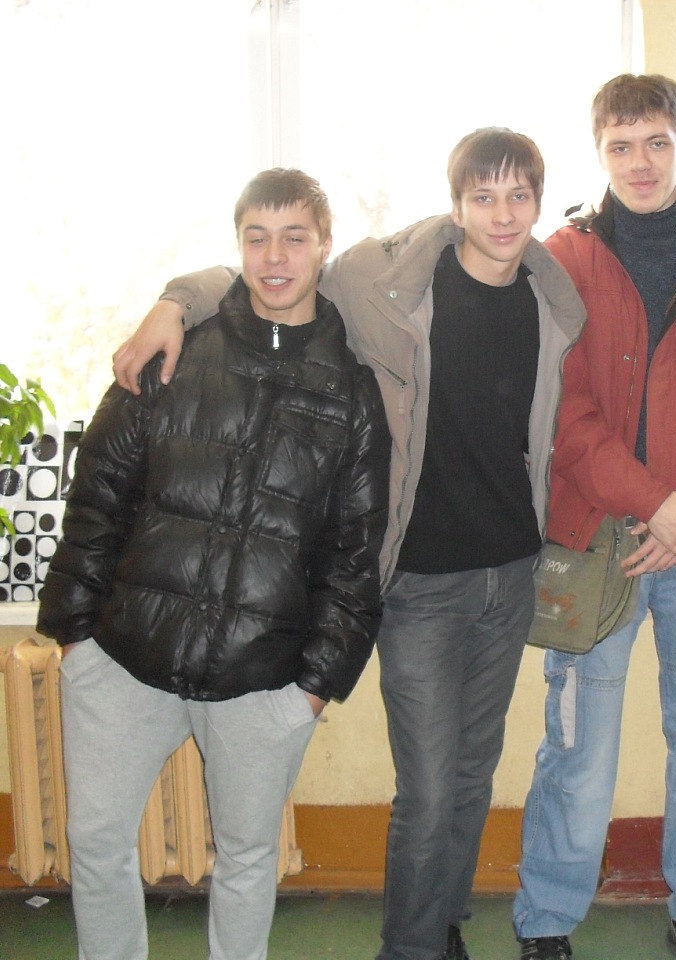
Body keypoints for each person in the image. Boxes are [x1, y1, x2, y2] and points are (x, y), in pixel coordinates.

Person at [109, 129, 588, 960]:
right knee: (428, 788)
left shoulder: (552, 298)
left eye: (519, 196)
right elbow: (272, 277)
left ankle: (442, 923)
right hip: (420, 584)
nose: (502, 214)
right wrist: (174, 302)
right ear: (457, 205)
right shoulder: (385, 281)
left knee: (472, 777)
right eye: (483, 196)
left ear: (538, 204)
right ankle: (408, 948)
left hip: (509, 576)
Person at [38, 168, 391, 960]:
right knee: (95, 840)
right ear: (237, 247)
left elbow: (355, 553)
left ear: (323, 246)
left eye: (294, 237)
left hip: (262, 679)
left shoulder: (353, 391)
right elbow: (98, 495)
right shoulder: (172, 353)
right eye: (256, 238)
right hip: (125, 657)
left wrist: (313, 687)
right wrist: (76, 637)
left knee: (248, 859)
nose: (275, 257)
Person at [511, 74, 676, 960]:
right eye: (621, 146)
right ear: (600, 152)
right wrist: (650, 504)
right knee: (578, 741)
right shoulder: (562, 259)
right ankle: (548, 918)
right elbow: (565, 412)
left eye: (656, 143)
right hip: (597, 533)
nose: (640, 162)